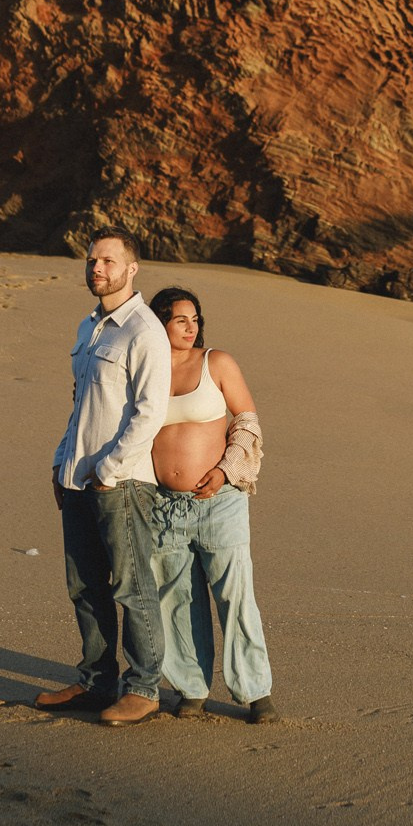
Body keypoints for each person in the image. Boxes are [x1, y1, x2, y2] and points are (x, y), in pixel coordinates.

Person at [32, 229, 170, 726]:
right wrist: (60, 461)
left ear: (132, 269)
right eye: (92, 261)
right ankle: (96, 682)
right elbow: (81, 405)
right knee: (85, 586)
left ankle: (144, 688)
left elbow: (149, 413)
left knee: (131, 587)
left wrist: (108, 472)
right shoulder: (89, 327)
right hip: (76, 478)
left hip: (122, 483)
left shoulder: (144, 331)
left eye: (108, 261)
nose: (97, 269)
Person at [145, 285, 275, 722]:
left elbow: (248, 421)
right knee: (176, 599)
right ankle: (192, 690)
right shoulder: (146, 371)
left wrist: (224, 471)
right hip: (164, 506)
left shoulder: (216, 362)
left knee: (235, 595)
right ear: (159, 322)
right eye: (180, 319)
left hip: (220, 502)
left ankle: (257, 694)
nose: (190, 327)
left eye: (194, 319)